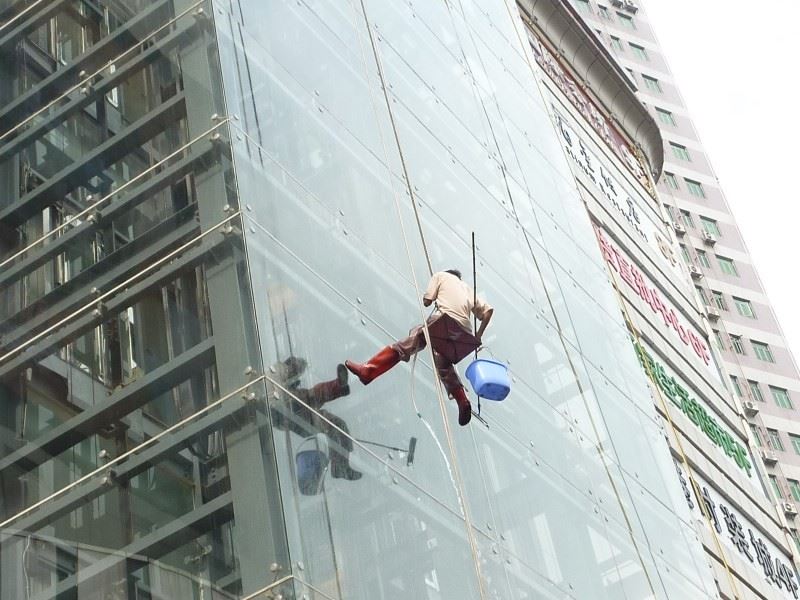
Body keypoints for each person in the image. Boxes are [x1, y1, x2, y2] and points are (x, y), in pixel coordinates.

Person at [345, 269, 493, 426]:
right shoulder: (467, 288)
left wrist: (431, 298)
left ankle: (369, 370)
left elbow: (427, 301)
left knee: (412, 339)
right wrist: (478, 336)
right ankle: (462, 400)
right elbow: (488, 312)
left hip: (444, 321)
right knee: (444, 363)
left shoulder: (440, 276)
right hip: (463, 333)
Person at [270, 357, 362, 480]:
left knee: (337, 423)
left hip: (294, 410)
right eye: (297, 370)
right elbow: (277, 377)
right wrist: (292, 369)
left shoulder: (287, 383)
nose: (298, 373)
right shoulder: (277, 371)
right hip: (285, 414)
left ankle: (340, 466)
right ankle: (338, 386)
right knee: (313, 397)